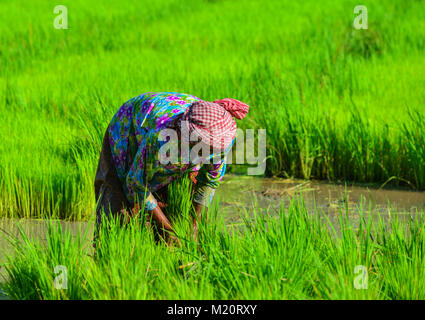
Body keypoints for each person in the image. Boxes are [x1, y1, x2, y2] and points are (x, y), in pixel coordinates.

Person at [93, 92, 249, 245]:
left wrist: (193, 227)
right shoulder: (161, 136)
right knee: (117, 206)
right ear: (188, 136)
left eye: (211, 150)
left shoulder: (223, 138)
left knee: (176, 199)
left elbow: (209, 180)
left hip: (178, 141)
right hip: (129, 127)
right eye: (203, 149)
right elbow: (136, 183)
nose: (208, 155)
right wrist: (168, 229)